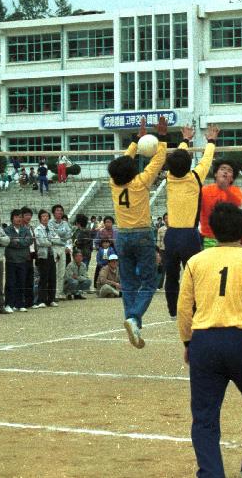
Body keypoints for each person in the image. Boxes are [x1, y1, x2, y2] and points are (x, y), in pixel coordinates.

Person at [177, 203, 242, 478]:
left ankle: (211, 473)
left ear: (210, 229)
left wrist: (188, 343)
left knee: (205, 415)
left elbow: (184, 307)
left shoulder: (196, 261)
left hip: (204, 341)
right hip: (240, 340)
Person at [108, 116, 168, 348]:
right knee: (150, 283)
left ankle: (133, 323)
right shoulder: (141, 181)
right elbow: (160, 159)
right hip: (142, 234)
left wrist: (136, 141)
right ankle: (133, 318)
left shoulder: (113, 183)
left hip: (121, 235)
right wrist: (161, 137)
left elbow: (123, 161)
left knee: (130, 283)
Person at [162, 124, 217, 319]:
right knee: (193, 277)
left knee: (172, 276)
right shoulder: (194, 178)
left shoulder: (169, 177)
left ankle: (173, 311)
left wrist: (185, 140)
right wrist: (210, 141)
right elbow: (206, 159)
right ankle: (196, 310)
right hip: (189, 236)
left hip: (171, 235)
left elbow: (178, 157)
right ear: (188, 165)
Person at [199, 160, 242, 248]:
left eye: (229, 170)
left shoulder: (236, 191)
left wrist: (225, 187)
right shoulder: (204, 190)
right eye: (222, 169)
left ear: (232, 178)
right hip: (208, 237)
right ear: (215, 174)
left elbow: (237, 202)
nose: (225, 171)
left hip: (231, 239)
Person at [4, 209, 32, 313]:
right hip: (11, 260)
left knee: (21, 282)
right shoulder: (7, 230)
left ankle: (20, 304)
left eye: (20, 217)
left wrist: (18, 241)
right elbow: (9, 241)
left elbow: (29, 240)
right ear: (12, 219)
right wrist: (21, 241)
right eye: (16, 217)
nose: (19, 219)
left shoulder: (25, 229)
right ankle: (8, 304)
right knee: (10, 283)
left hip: (22, 260)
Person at [33, 209, 59, 309]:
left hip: (52, 255)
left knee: (52, 278)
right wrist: (51, 241)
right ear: (40, 218)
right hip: (42, 256)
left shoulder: (51, 228)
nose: (45, 218)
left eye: (47, 216)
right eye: (43, 216)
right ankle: (41, 300)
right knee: (43, 279)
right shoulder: (37, 229)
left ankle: (51, 299)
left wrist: (51, 241)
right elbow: (41, 242)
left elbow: (57, 238)